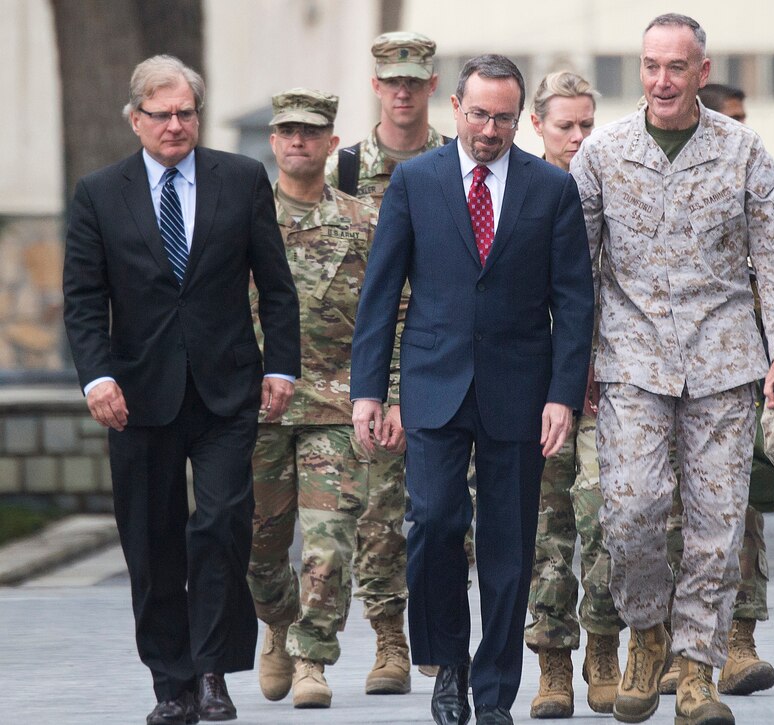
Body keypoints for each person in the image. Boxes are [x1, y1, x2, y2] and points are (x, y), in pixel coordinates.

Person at [570, 14, 774, 725]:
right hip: (631, 361)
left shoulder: (742, 151)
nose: (661, 81)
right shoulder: (604, 153)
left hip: (723, 362)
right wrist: (571, 361)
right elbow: (574, 268)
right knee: (630, 507)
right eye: (650, 66)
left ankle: (697, 670)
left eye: (676, 68)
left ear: (702, 73)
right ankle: (647, 631)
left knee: (716, 526)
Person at [351, 54, 594, 725]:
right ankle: (448, 663)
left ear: (522, 118)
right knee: (431, 523)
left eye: (504, 117)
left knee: (509, 548)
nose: (490, 129)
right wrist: (368, 388)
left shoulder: (549, 189)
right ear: (455, 107)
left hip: (520, 390)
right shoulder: (416, 182)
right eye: (480, 113)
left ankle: (492, 693)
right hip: (434, 384)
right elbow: (381, 291)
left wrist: (562, 395)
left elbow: (574, 302)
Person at [62, 55, 300, 724]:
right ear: (136, 120)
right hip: (136, 396)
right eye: (162, 114)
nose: (175, 124)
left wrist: (281, 366)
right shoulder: (99, 194)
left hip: (227, 389)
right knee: (151, 538)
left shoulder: (243, 179)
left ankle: (213, 668)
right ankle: (171, 682)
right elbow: (83, 297)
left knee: (222, 524)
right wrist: (97, 374)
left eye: (186, 112)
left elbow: (276, 287)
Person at [246, 88, 394, 709]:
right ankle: (277, 624)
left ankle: (312, 656)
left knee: (330, 537)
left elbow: (394, 309)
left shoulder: (364, 221)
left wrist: (386, 392)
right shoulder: (242, 217)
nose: (298, 141)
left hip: (338, 400)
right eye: (287, 131)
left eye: (311, 132)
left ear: (333, 143)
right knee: (259, 540)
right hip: (258, 404)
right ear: (274, 142)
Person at [325, 30, 448, 694]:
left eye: (414, 80)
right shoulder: (342, 171)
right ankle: (390, 640)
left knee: (443, 510)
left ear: (432, 85)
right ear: (376, 86)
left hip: (442, 360)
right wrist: (366, 385)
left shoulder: (458, 162)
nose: (402, 91)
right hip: (369, 363)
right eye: (391, 81)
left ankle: (437, 624)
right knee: (376, 514)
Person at [659, 82, 774, 700]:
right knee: (654, 514)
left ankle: (733, 642)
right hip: (656, 366)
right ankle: (663, 642)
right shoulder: (644, 172)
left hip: (731, 369)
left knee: (733, 516)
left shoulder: (748, 168)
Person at [523, 70, 625, 720]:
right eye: (567, 125)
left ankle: (606, 644)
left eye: (588, 123)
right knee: (545, 527)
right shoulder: (523, 193)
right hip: (533, 386)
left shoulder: (617, 191)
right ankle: (553, 660)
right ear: (539, 125)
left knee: (609, 516)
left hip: (607, 385)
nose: (580, 136)